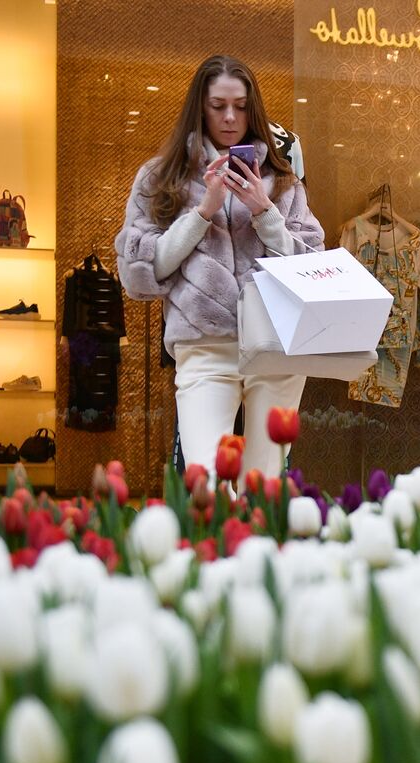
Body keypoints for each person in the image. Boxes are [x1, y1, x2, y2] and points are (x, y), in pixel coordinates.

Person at [115, 54, 323, 478]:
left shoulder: (282, 180)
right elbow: (142, 273)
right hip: (204, 343)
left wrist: (265, 212)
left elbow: (313, 266)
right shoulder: (161, 177)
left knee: (264, 485)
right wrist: (204, 209)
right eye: (218, 106)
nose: (230, 117)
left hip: (275, 346)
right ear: (200, 107)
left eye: (242, 106)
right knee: (207, 482)